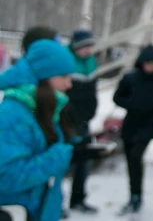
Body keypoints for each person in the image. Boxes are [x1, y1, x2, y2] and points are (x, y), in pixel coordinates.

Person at [0, 40, 77, 221]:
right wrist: (60, 155)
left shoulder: (41, 105)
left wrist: (77, 149)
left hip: (39, 209)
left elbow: (41, 147)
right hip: (19, 212)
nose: (69, 84)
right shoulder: (13, 115)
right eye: (64, 76)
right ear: (44, 75)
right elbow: (8, 178)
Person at [113, 44, 153, 215]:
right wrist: (132, 103)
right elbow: (117, 96)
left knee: (135, 155)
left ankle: (136, 196)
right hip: (131, 123)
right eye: (147, 63)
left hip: (150, 124)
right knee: (131, 160)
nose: (150, 67)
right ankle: (135, 195)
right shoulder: (131, 78)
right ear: (141, 63)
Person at [65, 29, 99, 214]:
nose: (87, 50)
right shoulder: (67, 61)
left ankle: (78, 199)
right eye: (84, 47)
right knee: (63, 161)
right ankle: (57, 202)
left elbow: (92, 90)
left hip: (85, 120)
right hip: (67, 120)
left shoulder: (91, 62)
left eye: (89, 46)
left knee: (83, 161)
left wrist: (92, 110)